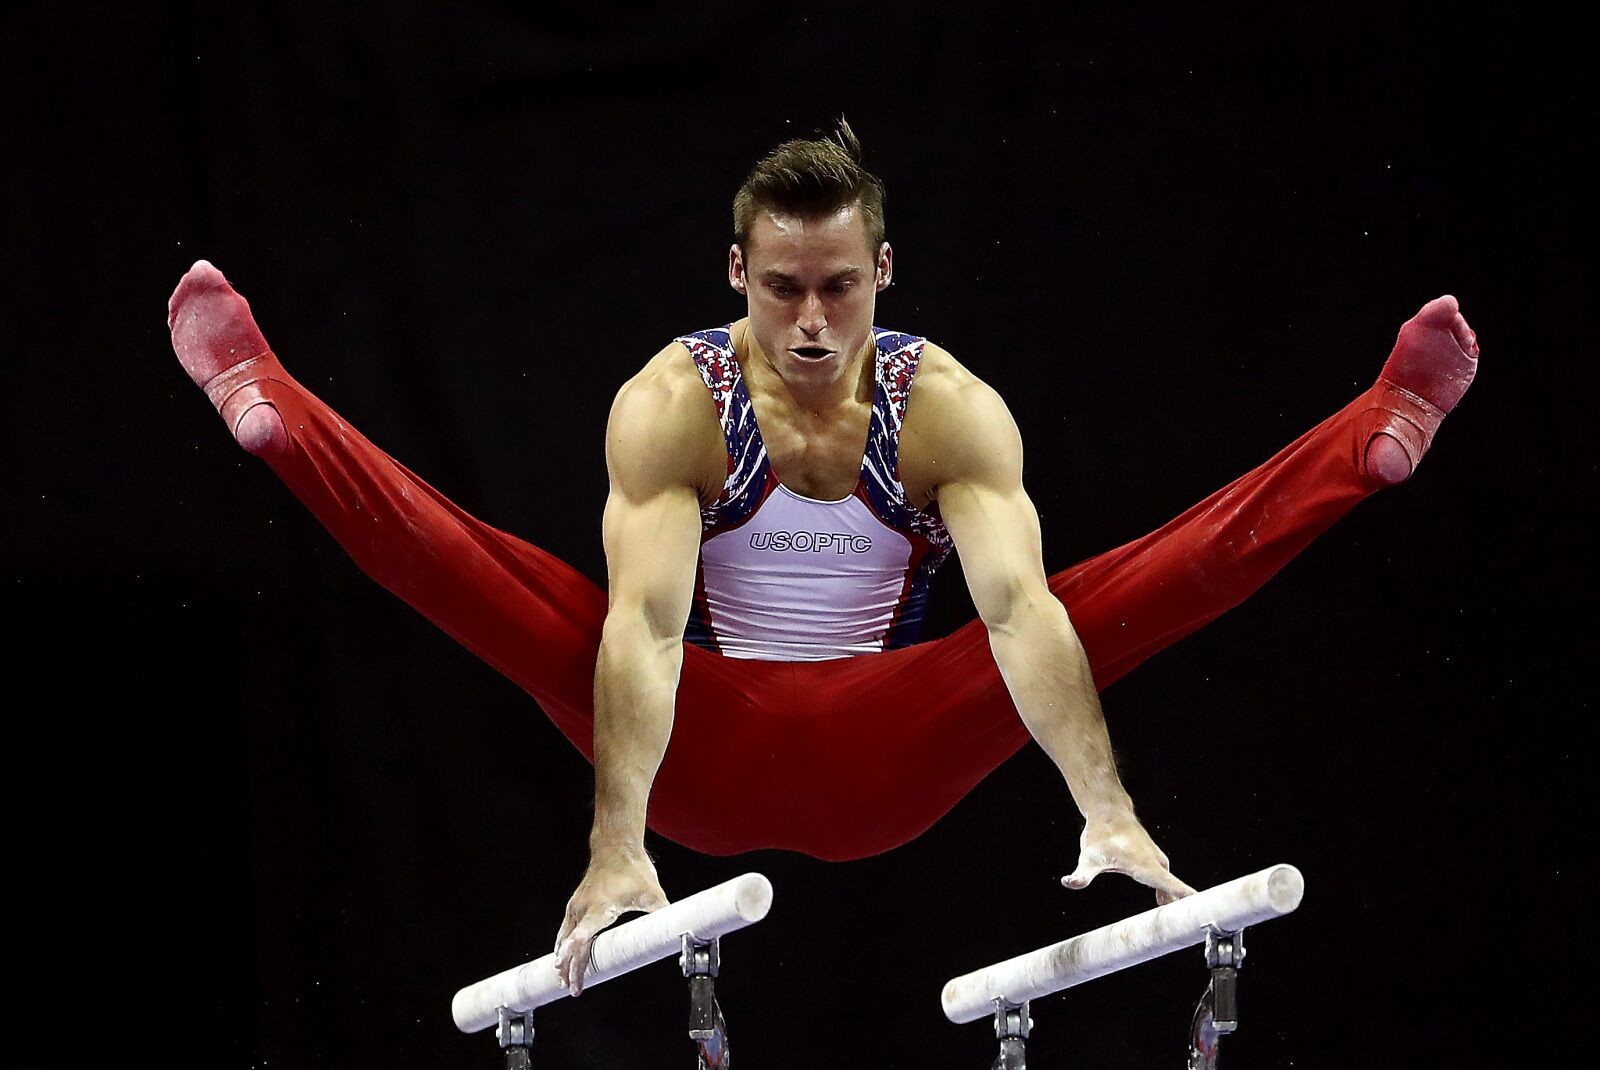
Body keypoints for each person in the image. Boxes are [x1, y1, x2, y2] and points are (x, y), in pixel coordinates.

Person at [164, 119, 1479, 996]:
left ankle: (1377, 429)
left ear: (884, 272)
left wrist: (1105, 801)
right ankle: (277, 414)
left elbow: (1021, 617)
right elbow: (642, 632)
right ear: (739, 271)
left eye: (838, 286)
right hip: (697, 748)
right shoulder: (674, 403)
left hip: (887, 748)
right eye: (782, 286)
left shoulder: (946, 407)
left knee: (1102, 598)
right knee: (511, 592)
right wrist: (619, 841)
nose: (808, 319)